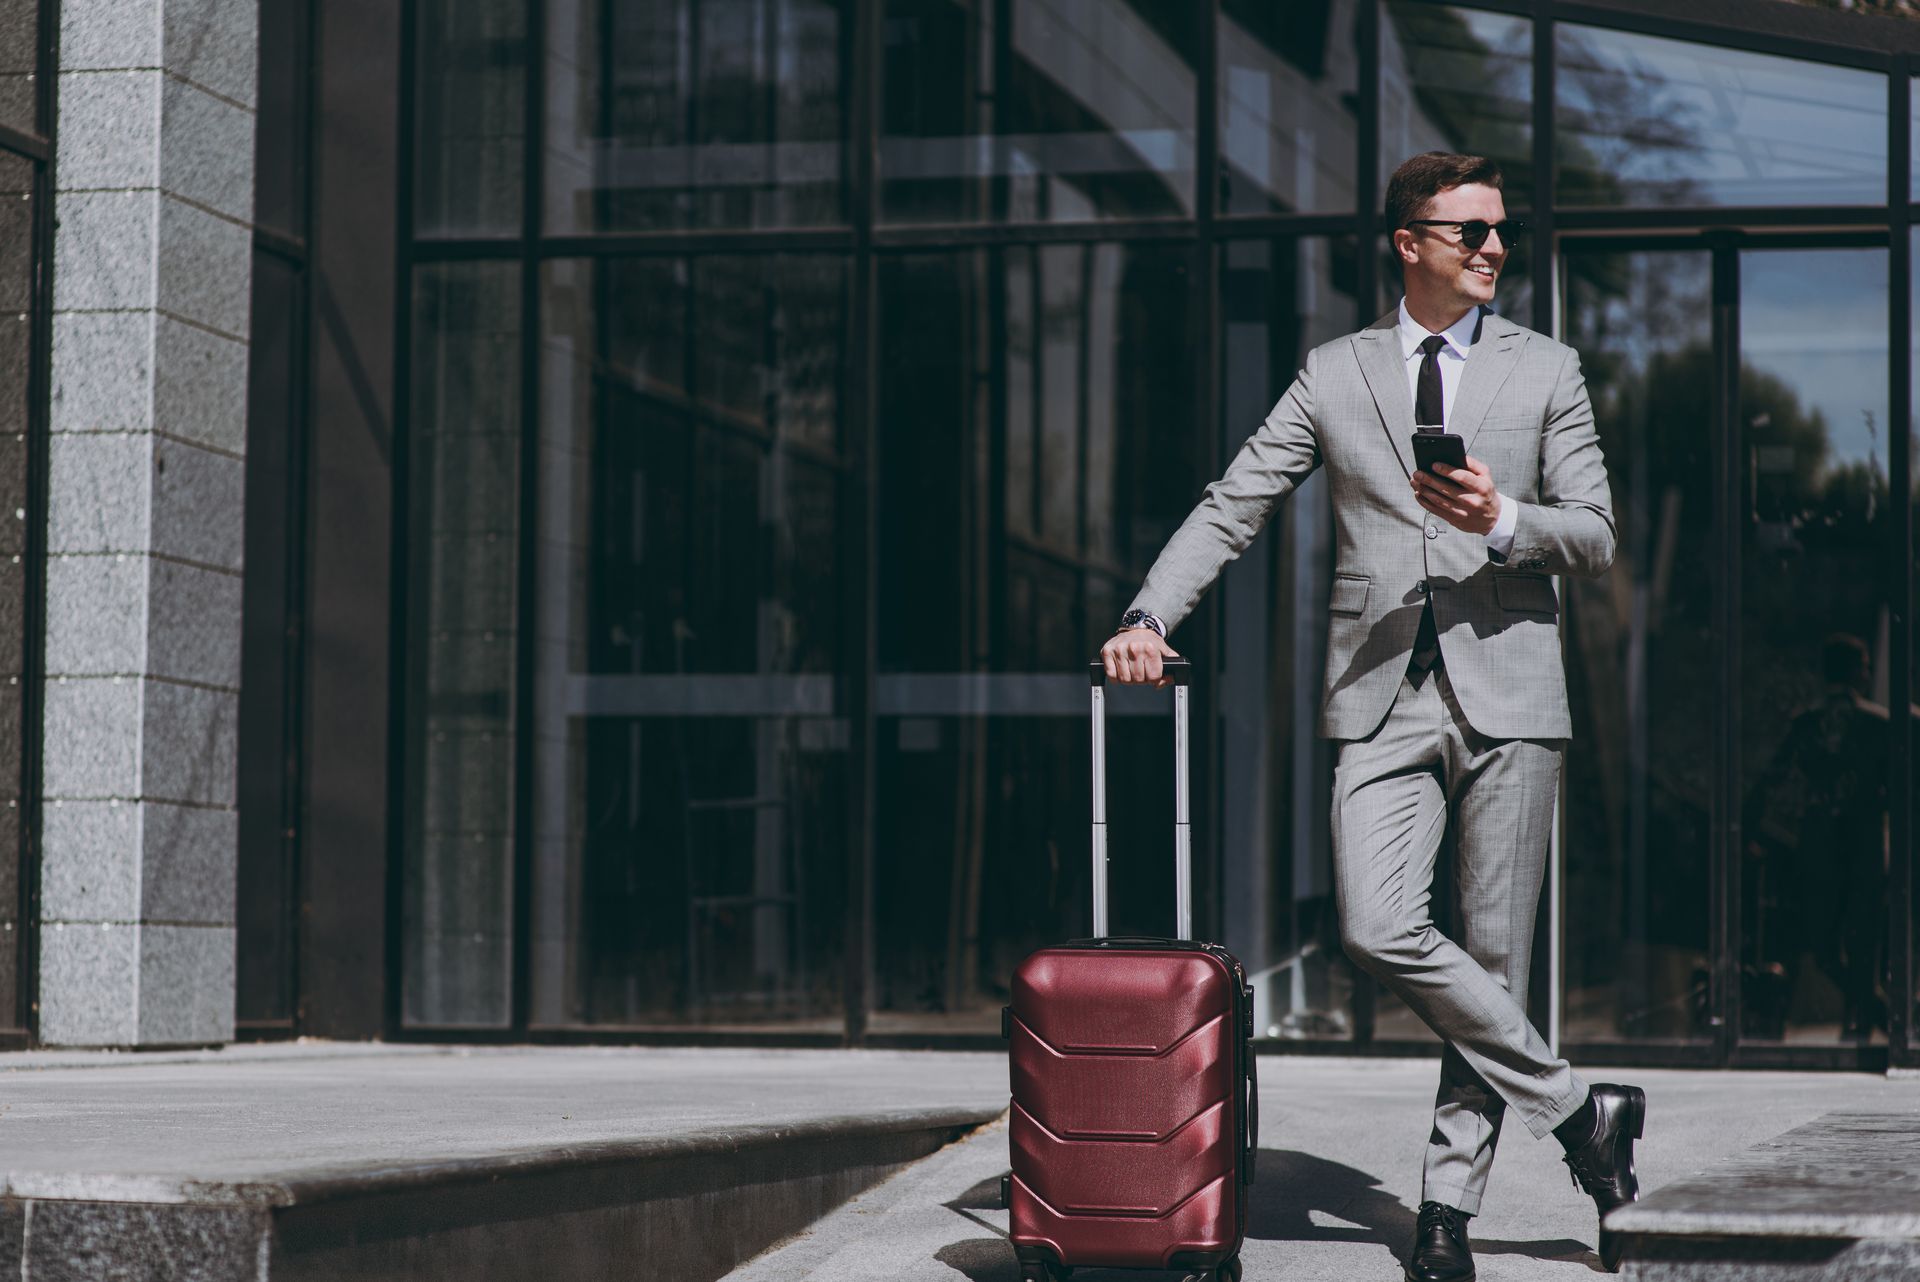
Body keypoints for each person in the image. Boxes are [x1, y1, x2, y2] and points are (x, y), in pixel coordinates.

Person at [1101, 152, 1640, 1280]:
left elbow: (1594, 532)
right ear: (1409, 241)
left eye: (1501, 232)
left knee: (1492, 956)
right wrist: (1150, 610)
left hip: (1513, 692)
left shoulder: (1549, 371)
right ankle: (1583, 1110)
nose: (1493, 249)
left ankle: (1446, 1210)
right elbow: (1235, 501)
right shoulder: (1334, 374)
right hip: (1380, 689)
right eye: (1469, 233)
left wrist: (1503, 520)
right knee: (1376, 923)